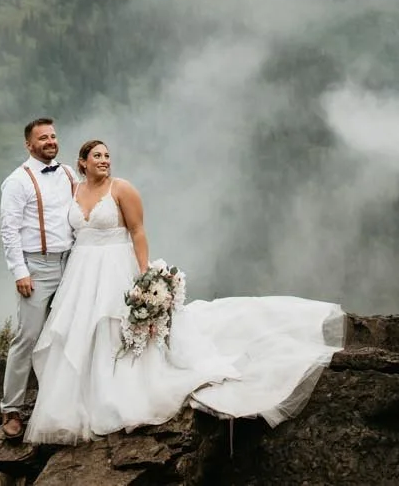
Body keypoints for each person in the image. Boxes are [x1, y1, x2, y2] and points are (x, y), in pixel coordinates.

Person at [24, 139, 344, 444]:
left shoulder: (121, 189)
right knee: (81, 330)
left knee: (115, 326)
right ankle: (81, 396)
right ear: (82, 162)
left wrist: (144, 277)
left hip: (115, 266)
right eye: (97, 156)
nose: (104, 160)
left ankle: (118, 391)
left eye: (107, 155)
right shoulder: (74, 190)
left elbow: (137, 231)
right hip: (81, 271)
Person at [0, 117, 75, 440]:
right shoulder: (17, 181)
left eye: (53, 136)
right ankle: (11, 409)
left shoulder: (68, 173)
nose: (50, 141)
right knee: (27, 336)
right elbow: (9, 230)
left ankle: (61, 401)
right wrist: (20, 271)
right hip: (37, 267)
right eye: (43, 138)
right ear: (29, 144)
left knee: (67, 332)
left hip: (71, 263)